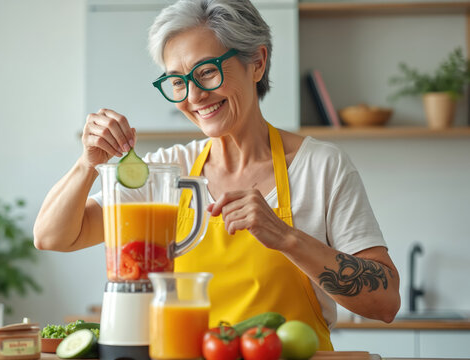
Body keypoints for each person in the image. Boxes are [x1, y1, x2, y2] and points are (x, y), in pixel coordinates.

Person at [33, 0, 400, 350]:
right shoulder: (168, 172)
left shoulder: (321, 167)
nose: (193, 96)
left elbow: (385, 303)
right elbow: (53, 236)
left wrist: (287, 238)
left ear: (257, 62)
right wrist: (88, 164)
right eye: (177, 81)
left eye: (207, 71)